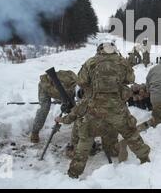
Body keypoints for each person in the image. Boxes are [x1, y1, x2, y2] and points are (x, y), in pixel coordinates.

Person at [57, 39, 150, 178]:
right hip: (117, 109)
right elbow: (130, 79)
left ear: (99, 49)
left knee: (85, 139)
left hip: (94, 108)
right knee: (131, 134)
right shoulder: (122, 62)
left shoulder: (91, 62)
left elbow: (81, 81)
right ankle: (145, 160)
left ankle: (74, 173)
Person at [30, 70, 77, 143]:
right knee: (44, 109)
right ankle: (35, 132)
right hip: (46, 88)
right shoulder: (45, 85)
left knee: (77, 109)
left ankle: (80, 131)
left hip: (66, 92)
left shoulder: (76, 83)